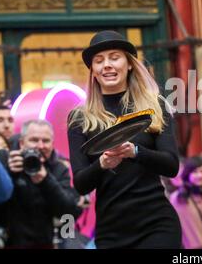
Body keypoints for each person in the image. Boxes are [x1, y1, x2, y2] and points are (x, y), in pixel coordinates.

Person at [67, 30, 182, 249]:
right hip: (111, 230)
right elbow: (81, 184)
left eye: (114, 57)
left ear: (129, 64)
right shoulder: (79, 118)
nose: (107, 65)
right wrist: (102, 164)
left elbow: (171, 165)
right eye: (99, 61)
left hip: (156, 225)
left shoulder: (155, 106)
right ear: (93, 71)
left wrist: (135, 152)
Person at [0, 119, 81, 248]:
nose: (40, 146)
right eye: (34, 140)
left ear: (52, 144)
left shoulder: (59, 169)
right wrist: (8, 172)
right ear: (22, 143)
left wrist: (45, 179)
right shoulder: (5, 159)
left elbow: (69, 213)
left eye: (46, 141)